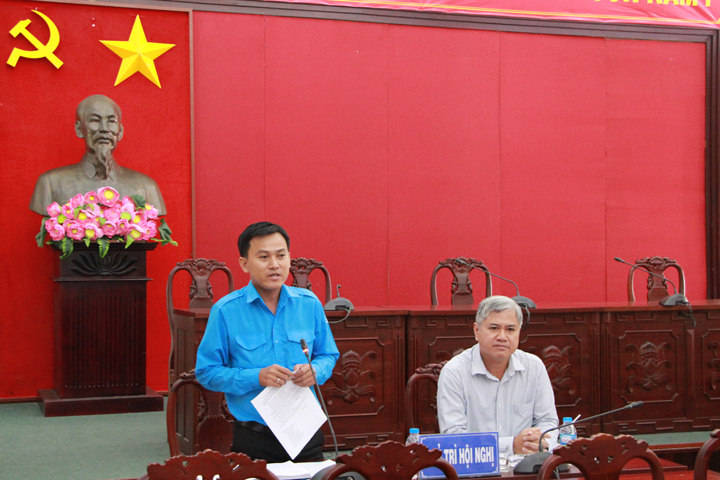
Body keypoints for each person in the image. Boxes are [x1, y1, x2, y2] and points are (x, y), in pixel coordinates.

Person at [195, 222, 339, 462]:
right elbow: (206, 372)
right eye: (264, 257)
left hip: (305, 429)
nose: (274, 264)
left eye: (281, 256)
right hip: (254, 436)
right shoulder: (226, 311)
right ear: (244, 263)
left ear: (289, 258)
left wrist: (316, 371)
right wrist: (256, 377)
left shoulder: (309, 304)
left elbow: (328, 355)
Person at [437, 295, 558, 454]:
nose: (502, 337)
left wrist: (539, 442)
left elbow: (548, 422)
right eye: (494, 328)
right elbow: (453, 437)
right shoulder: (454, 372)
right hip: (477, 466)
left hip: (528, 463)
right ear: (477, 331)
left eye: (510, 329)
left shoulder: (534, 367)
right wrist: (511, 446)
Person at [29, 94, 166, 215]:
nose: (104, 129)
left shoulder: (146, 187)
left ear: (120, 132)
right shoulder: (50, 184)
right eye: (95, 120)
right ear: (79, 129)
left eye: (111, 121)